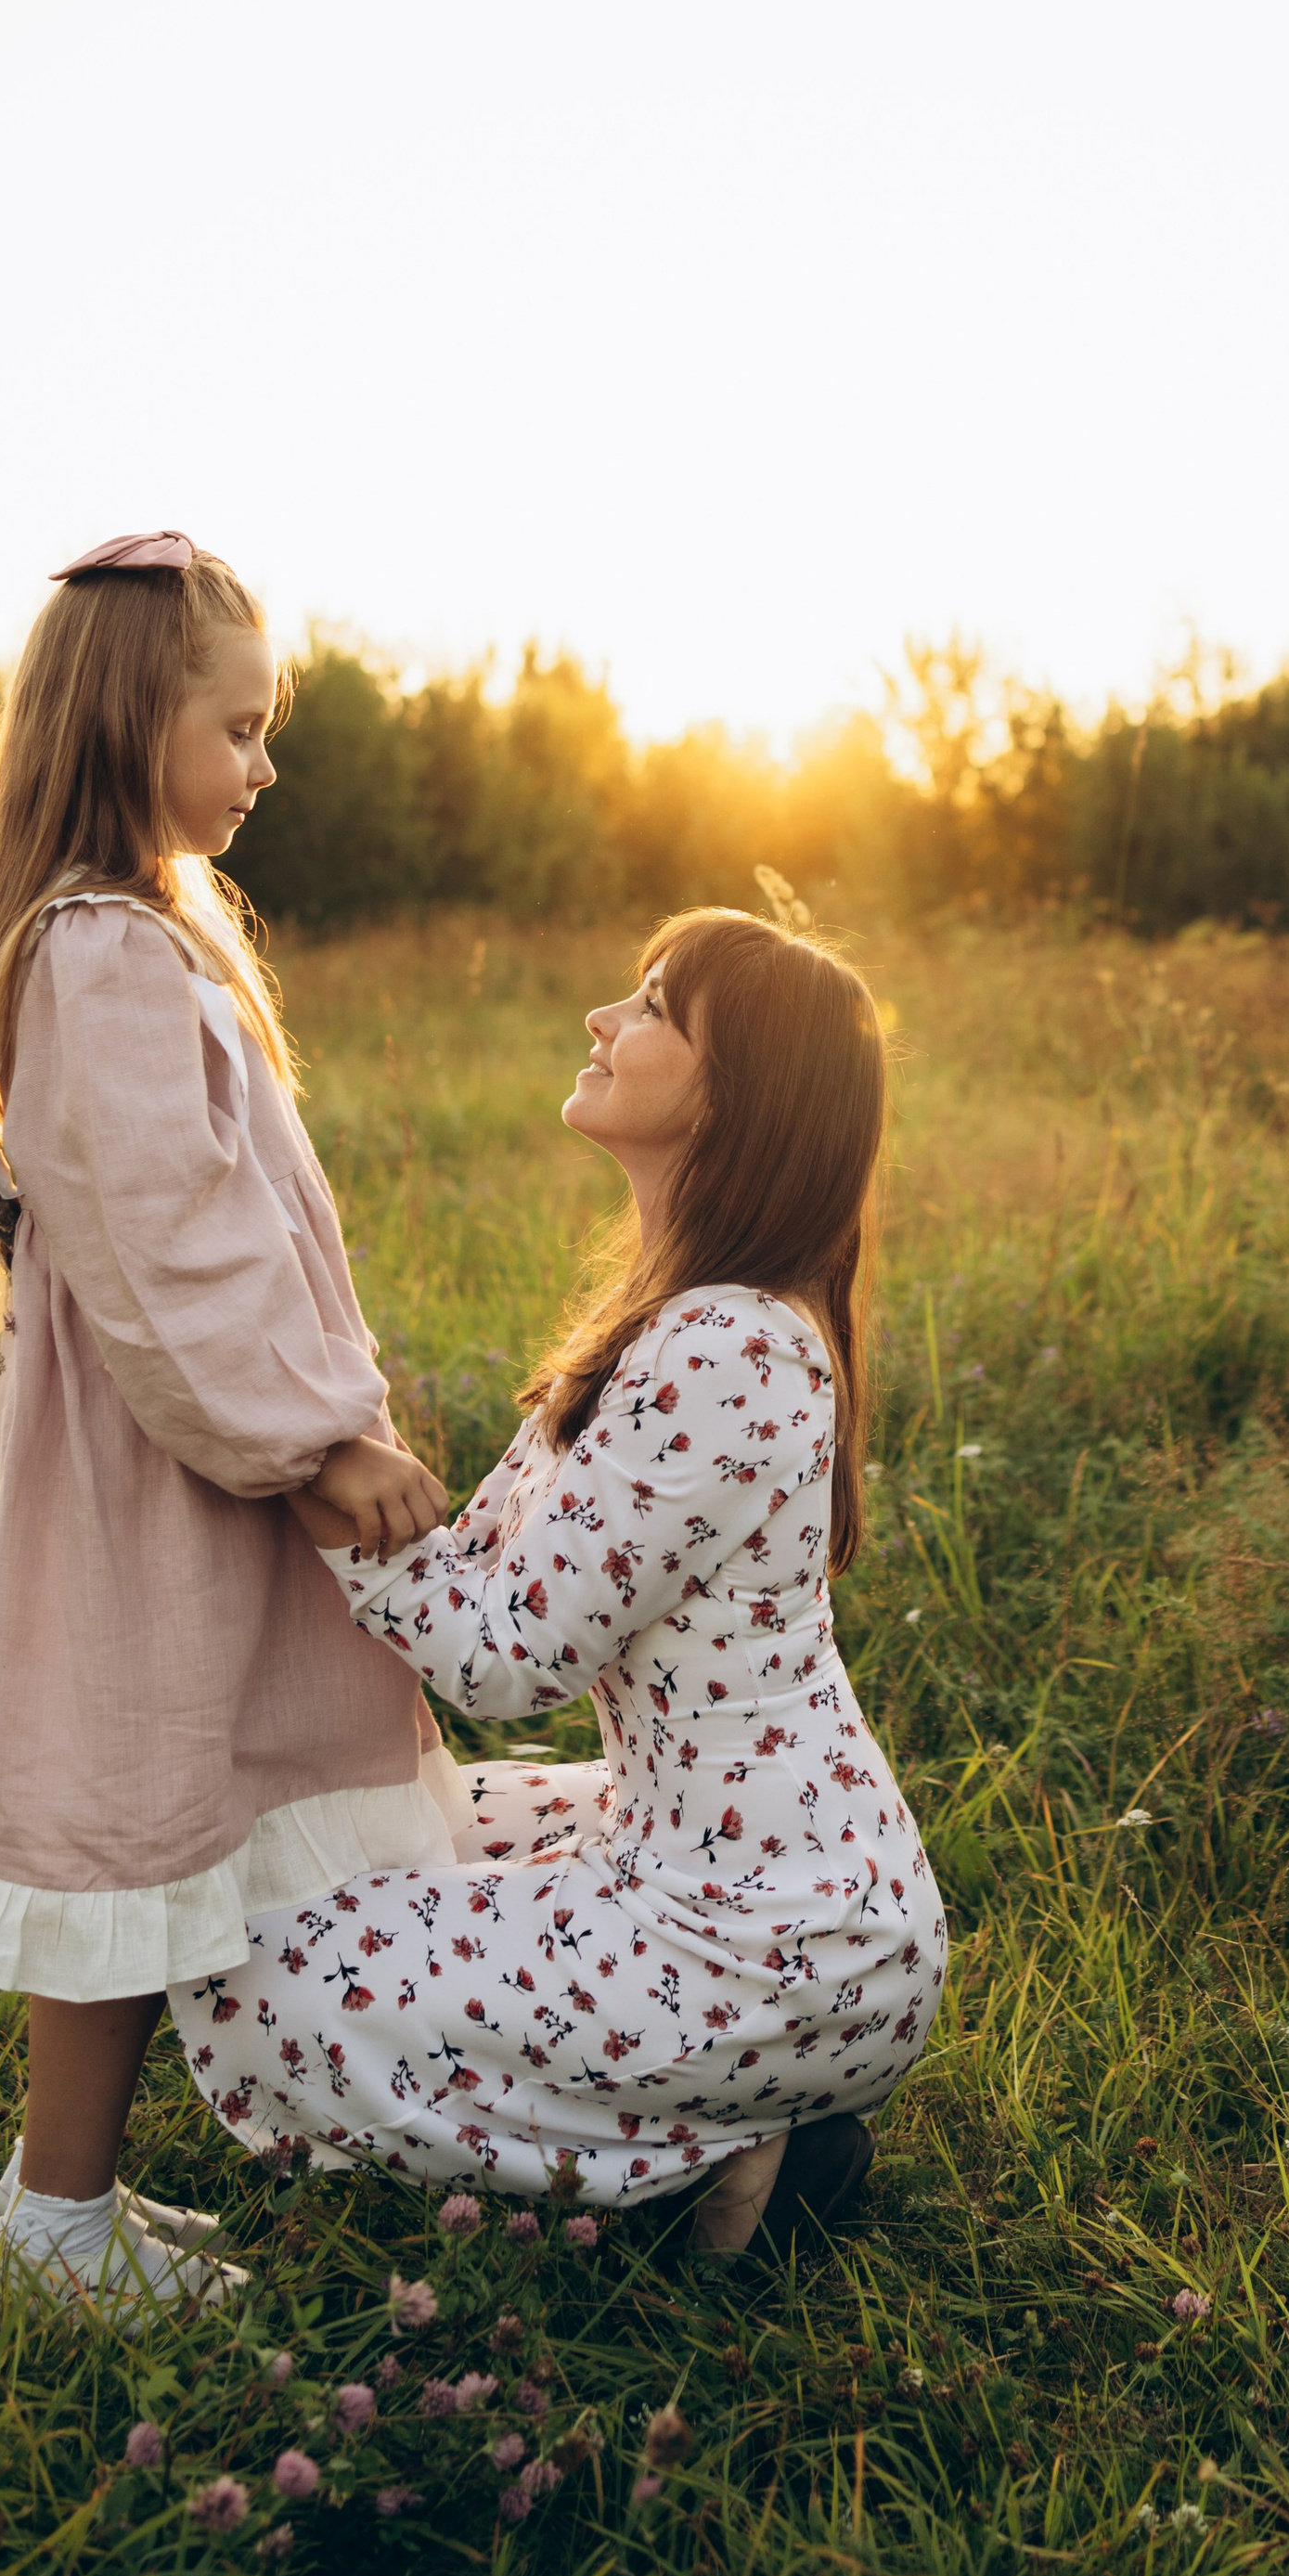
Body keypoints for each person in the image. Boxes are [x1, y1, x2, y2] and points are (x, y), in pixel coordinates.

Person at [171, 908, 946, 2254]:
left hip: (777, 1939)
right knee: (355, 1829)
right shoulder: (678, 1317)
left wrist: (306, 1479)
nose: (604, 1019)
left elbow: (500, 1659)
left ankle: (700, 2167)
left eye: (651, 1006)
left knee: (260, 1975)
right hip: (714, 1858)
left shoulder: (728, 1351)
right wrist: (344, 1471)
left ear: (738, 1095)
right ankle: (737, 2139)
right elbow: (479, 1563)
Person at [0, 530, 461, 2319]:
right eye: (238, 728)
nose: (264, 763)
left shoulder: (146, 938)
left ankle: (72, 2206)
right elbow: (170, 1246)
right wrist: (317, 1443)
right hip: (165, 1470)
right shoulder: (94, 951)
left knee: (178, 1815)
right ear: (128, 717)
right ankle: (48, 2226)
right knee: (134, 1815)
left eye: (269, 728)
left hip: (183, 1458)